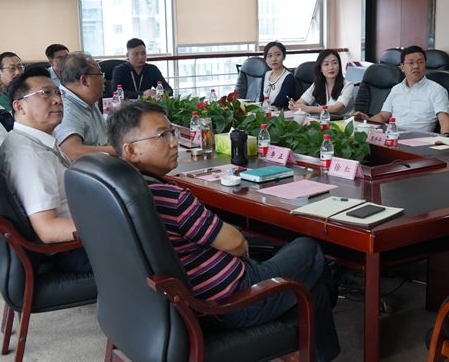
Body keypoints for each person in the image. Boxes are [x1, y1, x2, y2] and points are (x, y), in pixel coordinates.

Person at [107, 101, 340, 362]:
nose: (174, 143)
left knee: (314, 290)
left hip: (169, 305)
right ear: (131, 150)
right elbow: (236, 244)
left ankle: (303, 351)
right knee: (310, 250)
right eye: (163, 136)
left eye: (172, 133)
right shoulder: (171, 197)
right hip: (225, 303)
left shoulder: (114, 191)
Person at [0, 67, 90, 272]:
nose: (58, 100)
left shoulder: (34, 140)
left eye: (58, 93)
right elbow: (48, 230)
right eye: (45, 93)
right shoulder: (30, 156)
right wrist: (115, 222)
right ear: (19, 106)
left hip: (81, 228)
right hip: (73, 248)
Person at [355, 45, 449, 134]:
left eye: (420, 62)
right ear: (402, 67)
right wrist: (367, 121)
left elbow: (444, 119)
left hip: (419, 139)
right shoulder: (396, 89)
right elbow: (383, 115)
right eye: (411, 63)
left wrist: (446, 139)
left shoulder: (436, 90)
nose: (416, 66)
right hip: (392, 135)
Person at [55, 52, 117, 161]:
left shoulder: (87, 100)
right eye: (100, 75)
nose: (104, 80)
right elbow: (71, 152)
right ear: (84, 80)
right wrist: (119, 151)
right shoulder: (65, 108)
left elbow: (104, 137)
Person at [289, 49, 355, 116]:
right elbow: (301, 102)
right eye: (326, 64)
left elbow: (336, 108)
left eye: (334, 63)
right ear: (320, 68)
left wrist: (307, 108)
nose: (331, 68)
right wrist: (294, 105)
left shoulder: (348, 85)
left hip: (344, 120)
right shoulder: (318, 84)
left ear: (339, 66)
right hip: (324, 120)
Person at [259, 41, 296, 107]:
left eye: (277, 55)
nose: (273, 59)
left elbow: (280, 103)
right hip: (265, 111)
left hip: (281, 112)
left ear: (284, 57)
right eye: (269, 56)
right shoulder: (266, 75)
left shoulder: (288, 78)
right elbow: (261, 100)